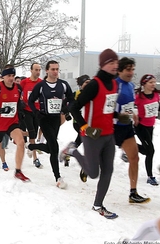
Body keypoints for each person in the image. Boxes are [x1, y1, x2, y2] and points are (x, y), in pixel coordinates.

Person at [61, 48, 121, 218]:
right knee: (93, 173)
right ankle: (72, 151)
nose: (115, 65)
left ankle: (98, 205)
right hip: (92, 135)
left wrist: (119, 116)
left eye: (116, 62)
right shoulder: (94, 84)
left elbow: (106, 109)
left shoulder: (115, 84)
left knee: (108, 170)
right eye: (111, 62)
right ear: (103, 65)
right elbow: (74, 107)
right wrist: (86, 127)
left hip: (109, 135)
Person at [27, 60, 74, 188]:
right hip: (44, 118)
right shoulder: (41, 86)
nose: (55, 72)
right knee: (54, 146)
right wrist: (36, 113)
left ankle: (32, 147)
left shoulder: (63, 85)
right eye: (52, 69)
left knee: (49, 147)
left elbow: (71, 99)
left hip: (56, 119)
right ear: (46, 71)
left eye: (57, 69)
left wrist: (66, 108)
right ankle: (58, 177)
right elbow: (30, 101)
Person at [0, 64, 30, 182]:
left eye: (13, 75)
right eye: (9, 75)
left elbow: (17, 104)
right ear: (3, 77)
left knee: (20, 142)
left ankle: (18, 171)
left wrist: (21, 114)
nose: (11, 78)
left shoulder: (18, 88)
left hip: (12, 122)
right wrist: (0, 111)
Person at [115, 57, 150, 204]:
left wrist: (133, 113)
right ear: (120, 70)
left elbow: (130, 103)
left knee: (134, 158)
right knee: (100, 159)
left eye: (133, 69)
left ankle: (133, 192)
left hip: (127, 127)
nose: (131, 72)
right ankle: (87, 166)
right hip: (113, 127)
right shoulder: (113, 85)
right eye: (128, 69)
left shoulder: (130, 86)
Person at [134, 74, 160, 186]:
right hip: (141, 127)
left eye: (154, 82)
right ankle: (150, 176)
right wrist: (133, 117)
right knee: (151, 151)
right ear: (144, 84)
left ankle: (131, 146)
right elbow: (129, 107)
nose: (153, 84)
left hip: (150, 127)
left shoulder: (156, 95)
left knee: (147, 150)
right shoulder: (139, 97)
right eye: (151, 82)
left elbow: (159, 108)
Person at [20, 62, 43, 169]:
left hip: (37, 111)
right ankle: (35, 158)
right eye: (36, 70)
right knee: (32, 132)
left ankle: (29, 144)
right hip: (26, 110)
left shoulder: (42, 83)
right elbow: (18, 93)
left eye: (39, 70)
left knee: (33, 132)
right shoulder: (24, 82)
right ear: (31, 70)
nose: (38, 72)